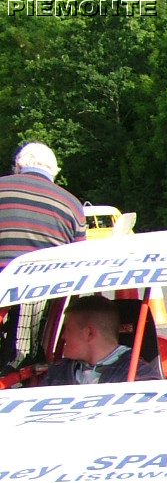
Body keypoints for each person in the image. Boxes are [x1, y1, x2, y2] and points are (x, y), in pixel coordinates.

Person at [0, 141, 85, 370]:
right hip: (39, 299)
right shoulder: (72, 205)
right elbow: (78, 265)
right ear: (54, 174)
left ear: (18, 166)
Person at [42, 295, 163, 385]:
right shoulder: (58, 372)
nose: (63, 336)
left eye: (68, 329)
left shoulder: (139, 375)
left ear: (89, 333)